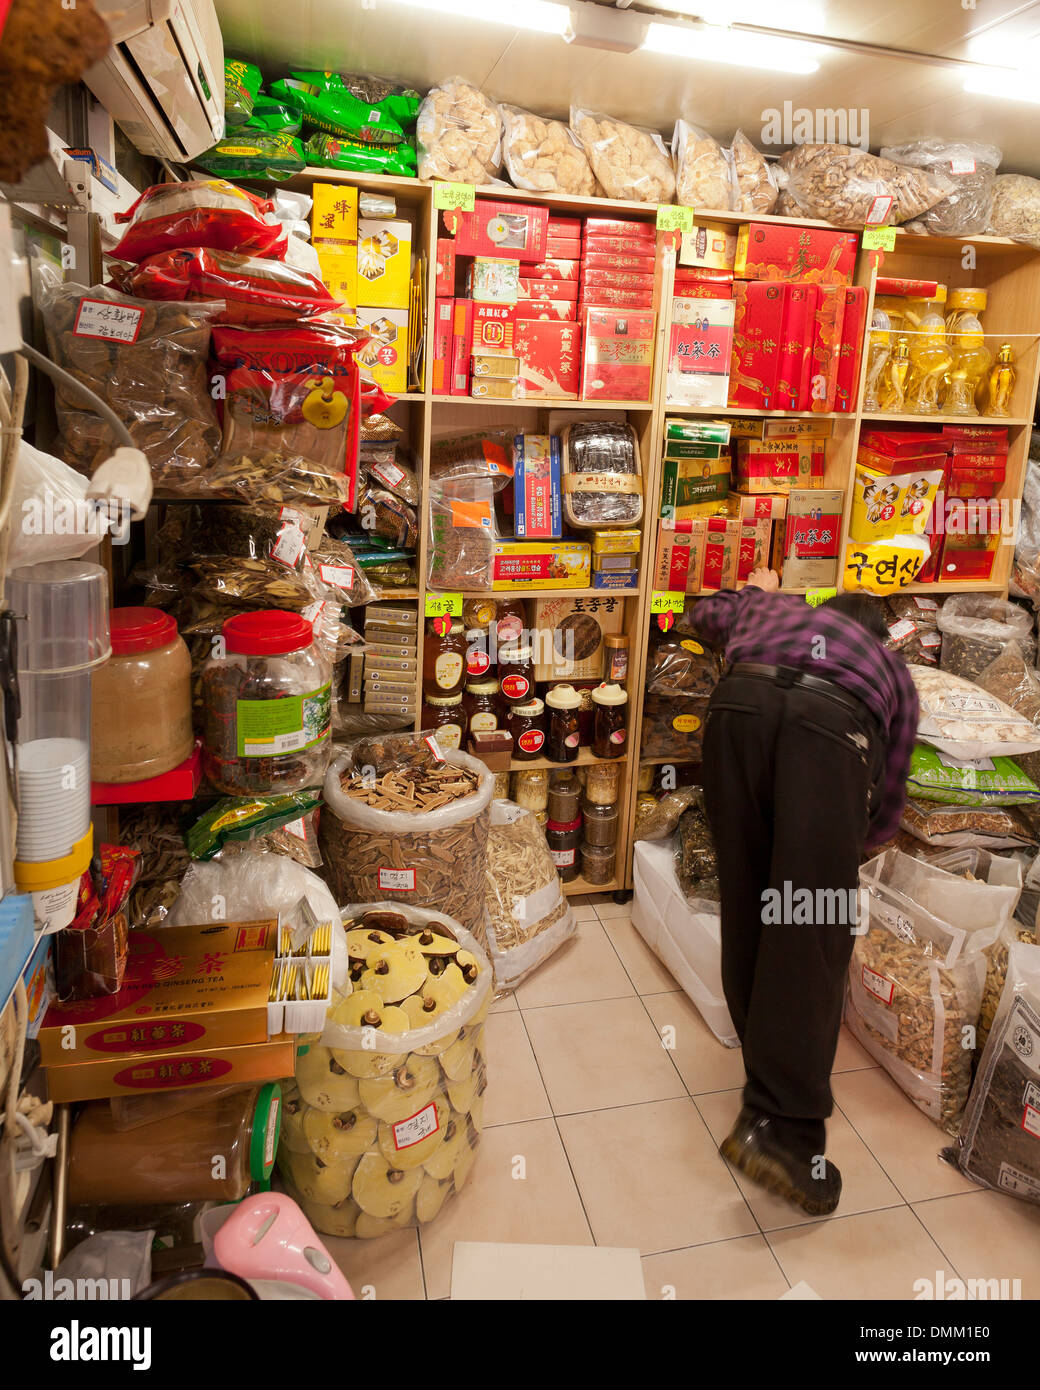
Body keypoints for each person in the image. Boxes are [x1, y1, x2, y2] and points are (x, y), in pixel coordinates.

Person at [688, 567, 919, 1216]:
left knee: (749, 909)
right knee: (811, 931)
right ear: (880, 637)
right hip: (830, 733)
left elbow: (700, 614)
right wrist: (833, 854)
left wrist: (754, 591)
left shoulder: (771, 610)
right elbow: (885, 814)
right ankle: (784, 1137)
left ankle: (766, 1086)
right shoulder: (893, 674)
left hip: (738, 712)